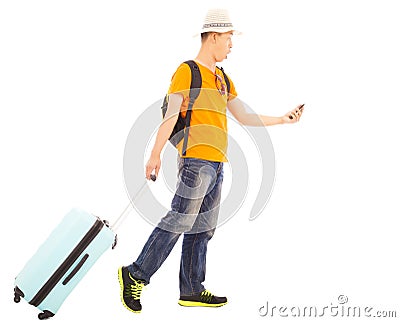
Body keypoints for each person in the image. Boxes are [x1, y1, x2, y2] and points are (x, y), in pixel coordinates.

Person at [118, 8, 304, 313]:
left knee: (203, 228)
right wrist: (154, 155)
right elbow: (170, 115)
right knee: (179, 220)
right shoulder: (187, 71)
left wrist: (282, 120)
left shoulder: (223, 78)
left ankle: (191, 288)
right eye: (229, 38)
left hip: (217, 164)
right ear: (214, 37)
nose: (232, 45)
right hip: (195, 161)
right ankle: (135, 274)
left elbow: (243, 115)